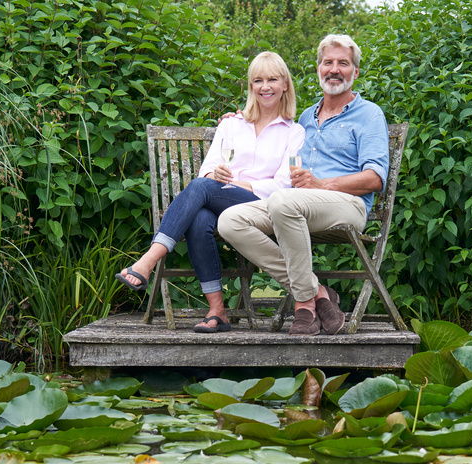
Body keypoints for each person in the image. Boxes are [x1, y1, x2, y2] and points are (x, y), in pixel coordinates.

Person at [116, 52, 305, 333]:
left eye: (272, 79)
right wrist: (214, 175)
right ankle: (218, 310)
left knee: (202, 189)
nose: (265, 86)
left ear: (285, 84)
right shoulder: (231, 124)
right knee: (200, 217)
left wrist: (235, 185)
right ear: (250, 86)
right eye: (258, 80)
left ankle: (148, 261)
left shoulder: (294, 131)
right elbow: (207, 170)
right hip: (219, 199)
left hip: (261, 205)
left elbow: (282, 185)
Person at [217, 35, 390, 336]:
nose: (334, 69)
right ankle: (317, 292)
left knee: (284, 201)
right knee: (230, 220)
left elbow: (375, 178)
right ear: (319, 68)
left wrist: (322, 184)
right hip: (294, 206)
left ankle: (303, 307)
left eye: (343, 63)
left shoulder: (369, 114)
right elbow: (265, 121)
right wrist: (237, 120)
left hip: (347, 205)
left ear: (355, 72)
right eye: (328, 63)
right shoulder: (306, 117)